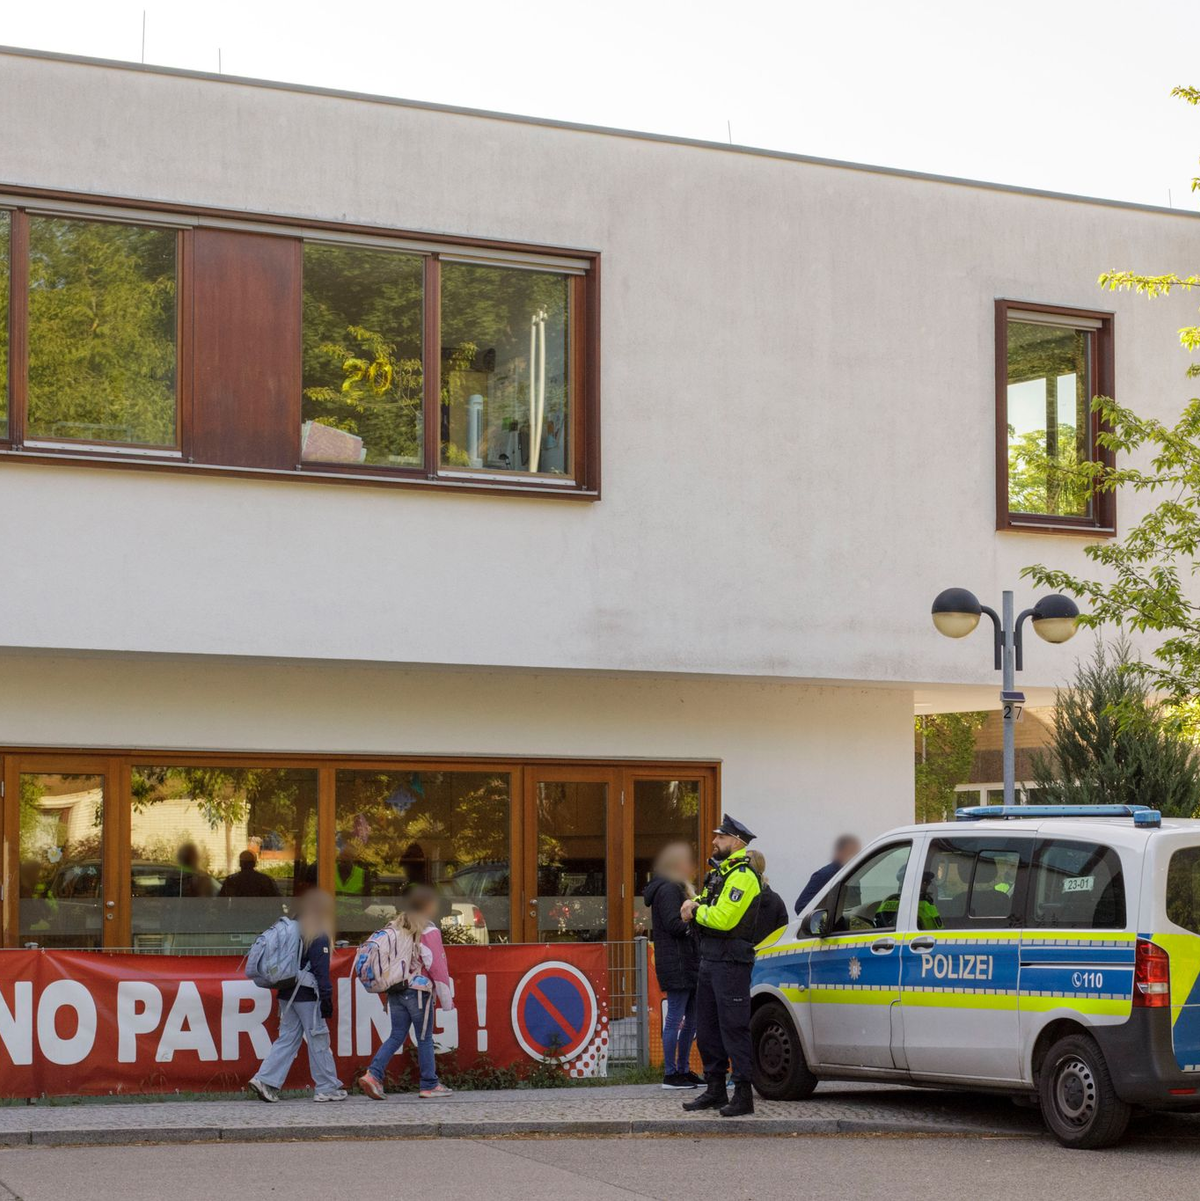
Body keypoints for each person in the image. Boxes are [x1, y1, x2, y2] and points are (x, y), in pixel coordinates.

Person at [680, 814, 762, 1118]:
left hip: (731, 963)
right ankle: (715, 1089)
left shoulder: (742, 875)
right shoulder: (721, 874)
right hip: (711, 959)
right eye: (716, 837)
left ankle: (743, 1094)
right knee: (709, 1028)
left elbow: (723, 918)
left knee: (734, 1028)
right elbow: (703, 903)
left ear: (737, 842)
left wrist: (694, 910)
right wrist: (696, 906)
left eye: (721, 838)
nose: (714, 842)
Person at [248, 888, 346, 1103]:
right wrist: (326, 999)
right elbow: (321, 972)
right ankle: (327, 1087)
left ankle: (265, 1079)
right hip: (308, 996)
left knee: (287, 1039)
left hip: (286, 993)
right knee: (318, 1039)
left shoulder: (290, 930)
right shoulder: (317, 935)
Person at [358, 884, 455, 1099]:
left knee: (396, 1035)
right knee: (424, 1038)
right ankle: (429, 1084)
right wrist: (447, 1000)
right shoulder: (428, 930)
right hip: (419, 991)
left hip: (396, 990)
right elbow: (436, 967)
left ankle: (373, 1074)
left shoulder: (396, 926)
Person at [643, 842, 702, 1090]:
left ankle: (683, 1069)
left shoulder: (675, 887)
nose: (691, 868)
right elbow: (673, 924)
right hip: (677, 963)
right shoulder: (667, 889)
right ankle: (671, 1073)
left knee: (692, 1019)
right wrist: (695, 918)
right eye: (687, 863)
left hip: (686, 962)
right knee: (676, 1017)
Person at [794, 834, 861, 915]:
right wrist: (824, 921)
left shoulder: (853, 875)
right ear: (840, 852)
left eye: (856, 852)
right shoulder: (825, 875)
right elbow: (801, 906)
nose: (855, 856)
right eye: (850, 852)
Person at [746, 850, 788, 945]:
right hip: (768, 953)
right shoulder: (776, 900)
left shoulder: (741, 897)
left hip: (741, 953)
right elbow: (782, 930)